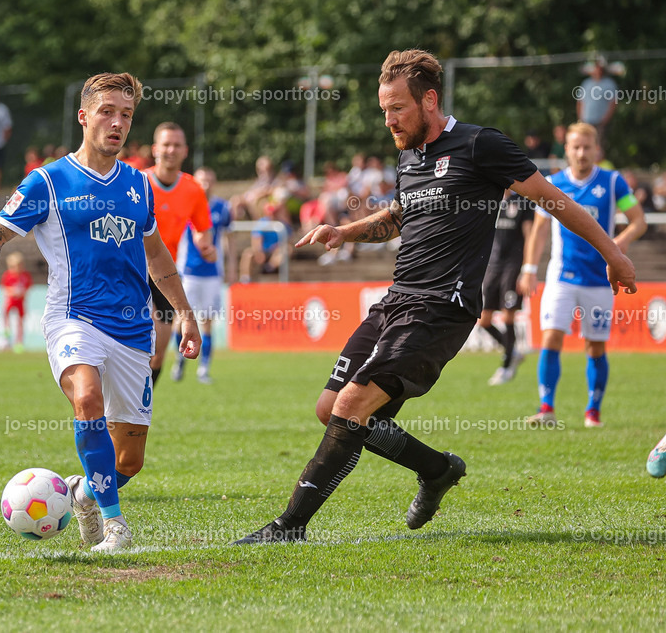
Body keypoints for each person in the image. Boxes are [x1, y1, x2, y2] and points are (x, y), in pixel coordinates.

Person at [235, 49, 636, 545]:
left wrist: (613, 254)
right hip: (398, 299)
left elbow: (554, 199)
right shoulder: (410, 154)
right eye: (383, 110)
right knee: (330, 407)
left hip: (443, 305)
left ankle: (288, 527)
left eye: (397, 109)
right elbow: (400, 217)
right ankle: (437, 469)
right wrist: (344, 231)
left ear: (429, 100)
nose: (389, 121)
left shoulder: (480, 144)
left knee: (352, 407)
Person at [0, 72, 201, 553]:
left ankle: (85, 494)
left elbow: (157, 256)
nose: (117, 123)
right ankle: (116, 527)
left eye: (126, 115)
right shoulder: (48, 181)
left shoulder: (138, 184)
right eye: (107, 113)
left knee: (131, 461)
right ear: (83, 117)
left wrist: (184, 313)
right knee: (87, 399)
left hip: (135, 331)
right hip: (73, 319)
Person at [517, 122, 646, 428]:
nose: (581, 152)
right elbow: (539, 230)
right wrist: (529, 269)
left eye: (587, 147)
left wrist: (618, 245)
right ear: (567, 150)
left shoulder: (613, 182)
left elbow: (637, 220)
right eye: (575, 147)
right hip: (562, 275)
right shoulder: (552, 183)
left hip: (602, 280)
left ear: (597, 150)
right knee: (550, 338)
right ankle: (546, 407)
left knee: (595, 346)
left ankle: (593, 411)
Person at [143, 122, 216, 387]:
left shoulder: (193, 189)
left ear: (185, 151)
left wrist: (205, 245)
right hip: (132, 270)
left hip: (165, 274)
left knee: (158, 353)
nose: (170, 150)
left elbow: (202, 229)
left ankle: (141, 408)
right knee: (134, 346)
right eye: (165, 144)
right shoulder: (137, 182)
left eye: (176, 145)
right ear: (155, 149)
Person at [171, 166, 231, 384]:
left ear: (214, 182)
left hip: (212, 273)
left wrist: (230, 266)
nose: (205, 185)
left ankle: (204, 369)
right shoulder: (185, 205)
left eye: (208, 180)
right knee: (181, 318)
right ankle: (180, 359)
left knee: (207, 321)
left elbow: (227, 238)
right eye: (201, 181)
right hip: (188, 272)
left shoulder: (222, 208)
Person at [479, 189, 534, 385]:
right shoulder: (488, 200)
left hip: (513, 265)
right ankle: (513, 351)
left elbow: (530, 237)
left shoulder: (523, 202)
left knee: (507, 314)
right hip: (493, 266)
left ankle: (506, 366)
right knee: (484, 320)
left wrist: (527, 269)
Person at [238, 202, 291, 283]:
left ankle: (269, 268)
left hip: (275, 252)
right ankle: (245, 279)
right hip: (263, 250)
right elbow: (256, 239)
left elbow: (288, 240)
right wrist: (259, 252)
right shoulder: (261, 223)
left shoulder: (282, 223)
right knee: (248, 254)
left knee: (286, 250)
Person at [576, 58, 617, 147]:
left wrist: (605, 120)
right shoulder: (586, 83)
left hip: (599, 122)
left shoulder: (609, 84)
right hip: (586, 122)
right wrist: (580, 119)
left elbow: (613, 103)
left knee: (598, 146)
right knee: (584, 144)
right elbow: (580, 102)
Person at [0, 251, 32, 352]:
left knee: (20, 322)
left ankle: (19, 342)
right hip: (11, 300)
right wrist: (12, 292)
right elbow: (5, 289)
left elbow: (28, 287)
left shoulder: (25, 275)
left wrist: (22, 293)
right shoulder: (8, 275)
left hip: (20, 302)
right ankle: (7, 329)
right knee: (5, 312)